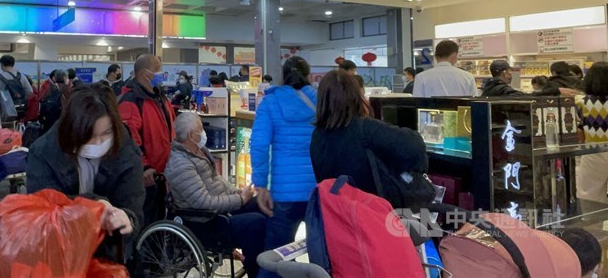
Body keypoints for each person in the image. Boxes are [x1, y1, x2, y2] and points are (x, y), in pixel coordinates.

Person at [27, 84, 145, 265]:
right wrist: (93, 205)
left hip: (110, 255)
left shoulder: (127, 152)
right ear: (73, 128)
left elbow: (133, 206)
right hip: (58, 253)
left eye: (106, 133)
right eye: (89, 135)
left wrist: (126, 219)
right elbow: (41, 208)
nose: (98, 142)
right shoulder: (44, 152)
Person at [164, 112, 266, 278]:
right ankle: (256, 271)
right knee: (256, 224)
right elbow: (204, 202)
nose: (203, 132)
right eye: (201, 128)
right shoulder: (180, 165)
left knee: (261, 205)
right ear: (191, 135)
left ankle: (262, 265)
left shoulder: (198, 152)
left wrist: (238, 193)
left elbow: (218, 181)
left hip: (218, 213)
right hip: (204, 222)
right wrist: (239, 200)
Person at [310, 69, 428, 195]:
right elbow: (415, 145)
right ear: (356, 95)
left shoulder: (318, 135)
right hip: (371, 208)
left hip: (338, 209)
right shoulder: (365, 128)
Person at [251, 56, 317, 271]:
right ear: (308, 76)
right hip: (317, 191)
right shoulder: (321, 101)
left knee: (275, 259)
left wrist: (260, 185)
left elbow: (259, 144)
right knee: (323, 255)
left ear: (283, 76)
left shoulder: (271, 102)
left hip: (282, 193)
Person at [119, 54, 175, 226]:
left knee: (159, 220)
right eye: (158, 69)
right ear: (145, 73)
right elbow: (129, 139)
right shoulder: (131, 101)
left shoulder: (160, 97)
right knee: (145, 222)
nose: (162, 74)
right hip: (146, 177)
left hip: (163, 174)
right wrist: (144, 166)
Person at [574, 62, 608, 204]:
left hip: (593, 152)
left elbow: (579, 132)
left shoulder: (580, 102)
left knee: (590, 197)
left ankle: (593, 226)